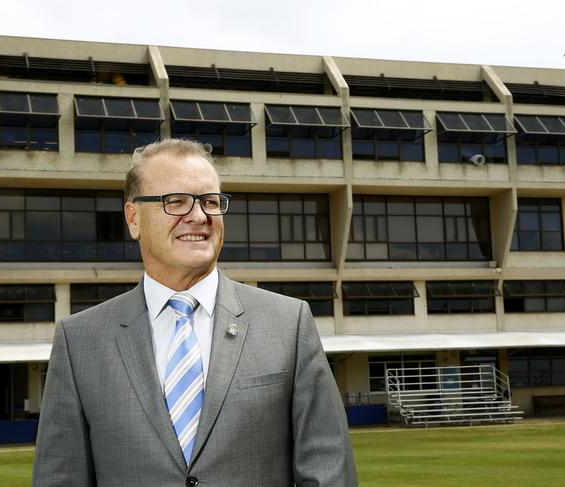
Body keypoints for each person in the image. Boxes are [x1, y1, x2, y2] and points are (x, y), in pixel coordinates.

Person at [32, 138, 357, 486]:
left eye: (211, 202)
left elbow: (329, 473)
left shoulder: (289, 325)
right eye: (176, 202)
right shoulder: (79, 342)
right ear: (134, 218)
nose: (199, 216)